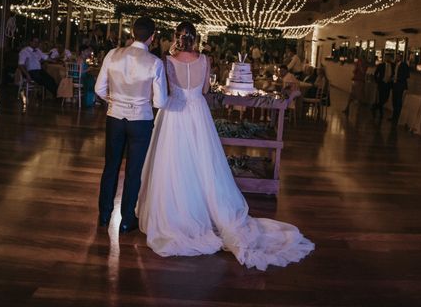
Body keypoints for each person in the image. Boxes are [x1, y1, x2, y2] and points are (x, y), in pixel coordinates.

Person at [137, 22, 314, 271]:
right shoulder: (205, 60)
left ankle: (178, 213)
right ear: (195, 38)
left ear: (176, 37)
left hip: (174, 115)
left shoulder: (167, 61)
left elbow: (165, 91)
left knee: (174, 163)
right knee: (204, 164)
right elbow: (206, 90)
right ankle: (210, 211)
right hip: (199, 113)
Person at [95, 17, 168, 233]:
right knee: (134, 171)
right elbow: (160, 102)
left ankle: (104, 215)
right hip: (141, 121)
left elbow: (99, 89)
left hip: (115, 118)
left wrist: (115, 102)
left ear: (132, 33)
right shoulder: (155, 62)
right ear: (152, 37)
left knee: (111, 167)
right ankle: (127, 219)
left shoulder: (112, 54)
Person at [372, 54, 394, 120]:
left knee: (386, 98)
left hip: (388, 84)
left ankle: (375, 107)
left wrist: (392, 79)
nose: (387, 58)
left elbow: (394, 74)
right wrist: (377, 81)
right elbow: (375, 74)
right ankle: (381, 113)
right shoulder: (381, 65)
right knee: (381, 98)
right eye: (386, 57)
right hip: (382, 83)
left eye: (389, 57)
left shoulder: (393, 65)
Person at [391, 53, 410, 123]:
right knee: (394, 100)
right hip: (395, 84)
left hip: (400, 85)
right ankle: (394, 116)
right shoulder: (396, 64)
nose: (396, 58)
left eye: (398, 57)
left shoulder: (404, 65)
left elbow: (407, 75)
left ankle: (398, 117)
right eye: (396, 57)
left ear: (401, 58)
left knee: (398, 101)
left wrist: (397, 78)